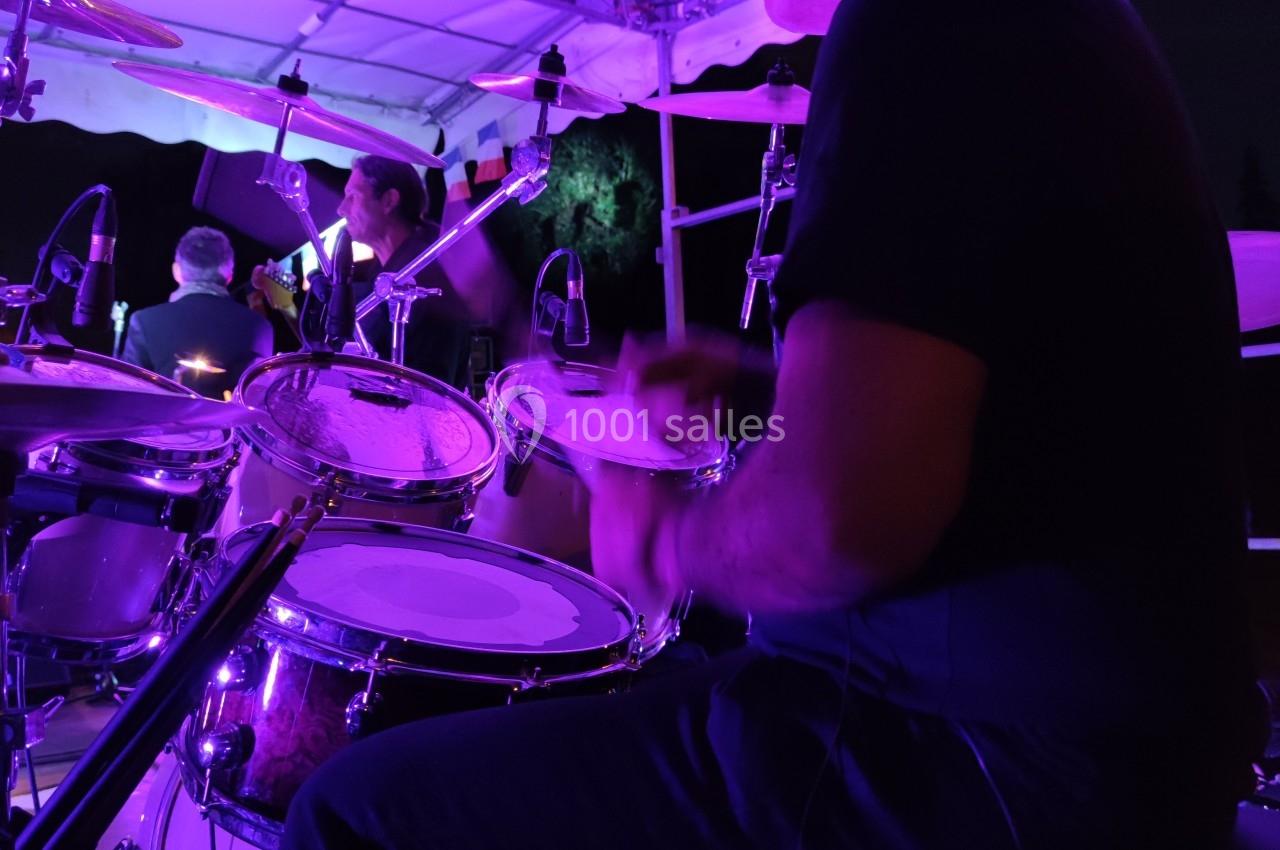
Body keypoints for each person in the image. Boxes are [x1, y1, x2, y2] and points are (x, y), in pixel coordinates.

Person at [281, 1, 1263, 848]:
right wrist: (762, 391)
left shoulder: (925, 27)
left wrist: (662, 537)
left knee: (353, 810)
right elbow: (1019, 428)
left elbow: (836, 520)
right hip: (1082, 746)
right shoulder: (1042, 29)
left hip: (972, 758)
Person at [334, 154, 472, 389]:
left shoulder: (423, 270)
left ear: (388, 200)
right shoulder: (388, 269)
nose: (341, 209)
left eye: (353, 197)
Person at [122, 226, 272, 398]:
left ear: (176, 271)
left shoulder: (144, 321)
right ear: (229, 273)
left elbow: (129, 394)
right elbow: (258, 399)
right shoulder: (260, 326)